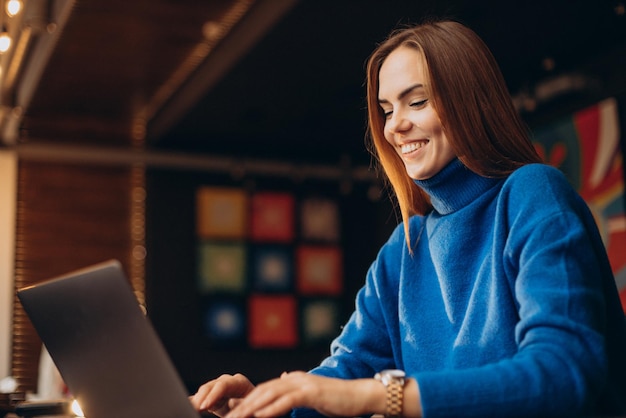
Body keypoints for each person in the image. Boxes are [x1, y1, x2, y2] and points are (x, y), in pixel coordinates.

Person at [190, 19, 626, 417]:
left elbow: (564, 370)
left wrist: (383, 395)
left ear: (469, 102)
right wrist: (270, 406)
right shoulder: (405, 247)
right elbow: (347, 371)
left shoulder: (532, 193)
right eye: (385, 110)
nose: (394, 126)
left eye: (415, 102)